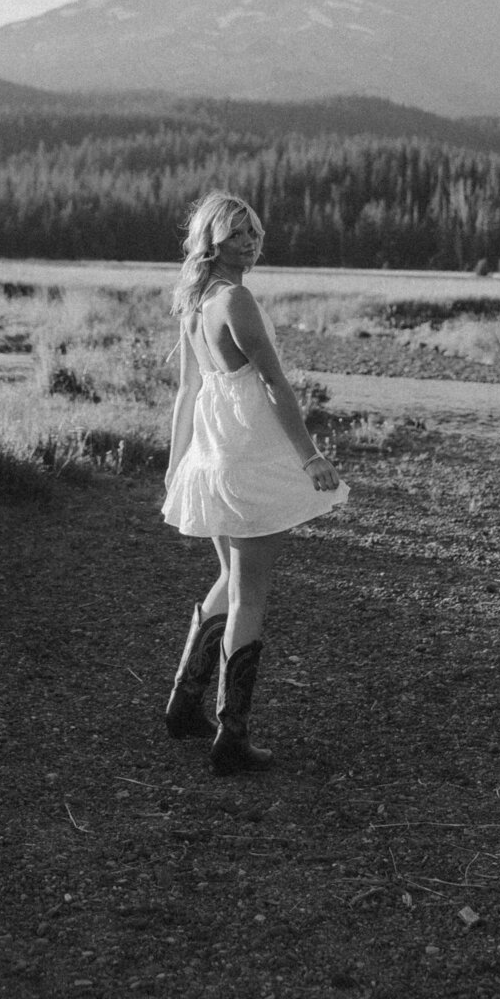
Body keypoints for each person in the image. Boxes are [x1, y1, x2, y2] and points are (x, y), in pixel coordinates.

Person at [161, 191, 348, 775]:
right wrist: (310, 457)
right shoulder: (234, 299)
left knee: (228, 577)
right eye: (238, 233)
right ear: (212, 239)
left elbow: (190, 392)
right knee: (250, 594)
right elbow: (272, 385)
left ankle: (184, 703)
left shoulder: (194, 300)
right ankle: (231, 737)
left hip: (216, 456)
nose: (252, 242)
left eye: (256, 232)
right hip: (243, 455)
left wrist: (176, 465)